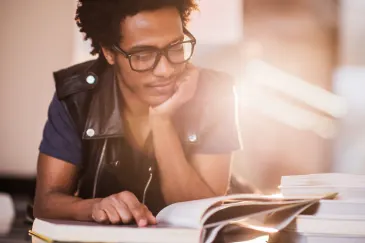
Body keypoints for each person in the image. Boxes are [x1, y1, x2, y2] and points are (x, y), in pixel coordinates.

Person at [33, 0, 240, 227]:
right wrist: (94, 207)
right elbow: (46, 203)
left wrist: (162, 121)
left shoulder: (214, 93)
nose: (166, 70)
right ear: (109, 53)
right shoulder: (77, 97)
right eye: (143, 55)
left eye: (176, 47)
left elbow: (202, 215)